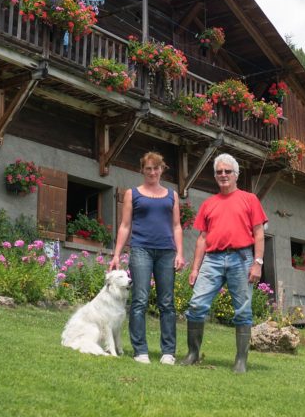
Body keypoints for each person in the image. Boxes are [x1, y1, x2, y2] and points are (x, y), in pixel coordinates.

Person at [182, 153, 267, 373]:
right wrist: (195, 268)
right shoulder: (209, 204)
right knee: (196, 305)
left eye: (227, 171)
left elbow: (259, 232)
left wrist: (257, 262)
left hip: (242, 258)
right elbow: (202, 238)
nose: (223, 175)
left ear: (236, 174)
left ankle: (240, 360)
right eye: (219, 172)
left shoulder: (249, 199)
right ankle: (192, 354)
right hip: (212, 260)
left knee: (243, 310)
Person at [109, 152, 185, 365]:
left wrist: (179, 253)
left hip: (166, 252)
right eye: (148, 168)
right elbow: (125, 225)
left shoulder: (173, 195)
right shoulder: (133, 194)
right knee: (140, 300)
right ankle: (140, 350)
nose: (152, 172)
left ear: (162, 169)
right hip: (141, 250)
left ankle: (168, 352)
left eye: (156, 168)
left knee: (167, 302)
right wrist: (116, 254)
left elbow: (177, 226)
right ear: (142, 170)